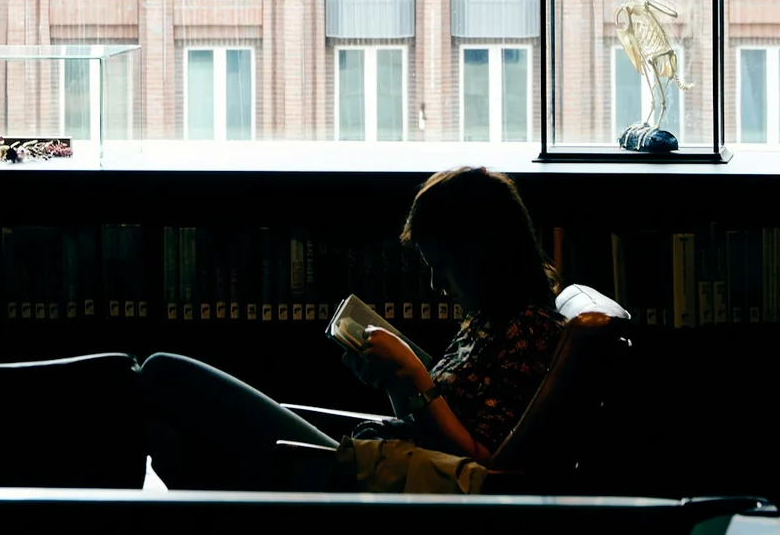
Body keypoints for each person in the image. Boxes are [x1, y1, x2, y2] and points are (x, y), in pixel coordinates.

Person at [141, 166, 566, 492]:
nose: (438, 287)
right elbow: (431, 428)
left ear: (486, 252)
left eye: (444, 268)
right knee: (168, 428)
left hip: (362, 472)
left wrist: (417, 377)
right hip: (375, 456)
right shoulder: (487, 319)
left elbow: (480, 468)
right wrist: (396, 383)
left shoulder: (531, 331)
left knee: (165, 373)